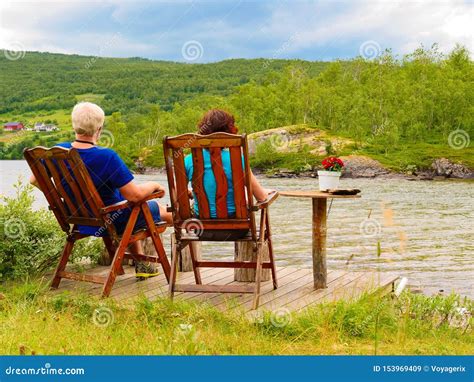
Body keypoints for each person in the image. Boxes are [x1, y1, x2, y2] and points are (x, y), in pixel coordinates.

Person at [29, 102, 171, 279]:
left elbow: (35, 180)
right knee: (160, 210)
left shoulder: (57, 151)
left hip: (78, 218)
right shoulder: (107, 156)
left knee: (132, 206)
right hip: (110, 220)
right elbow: (134, 195)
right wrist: (154, 185)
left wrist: (58, 197)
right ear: (100, 127)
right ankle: (195, 227)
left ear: (74, 125)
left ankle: (142, 265)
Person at [184, 109, 274, 224]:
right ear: (228, 133)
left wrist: (190, 192)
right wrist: (264, 192)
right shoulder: (238, 160)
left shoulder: (188, 161)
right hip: (236, 228)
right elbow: (261, 198)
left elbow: (178, 196)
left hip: (200, 227)